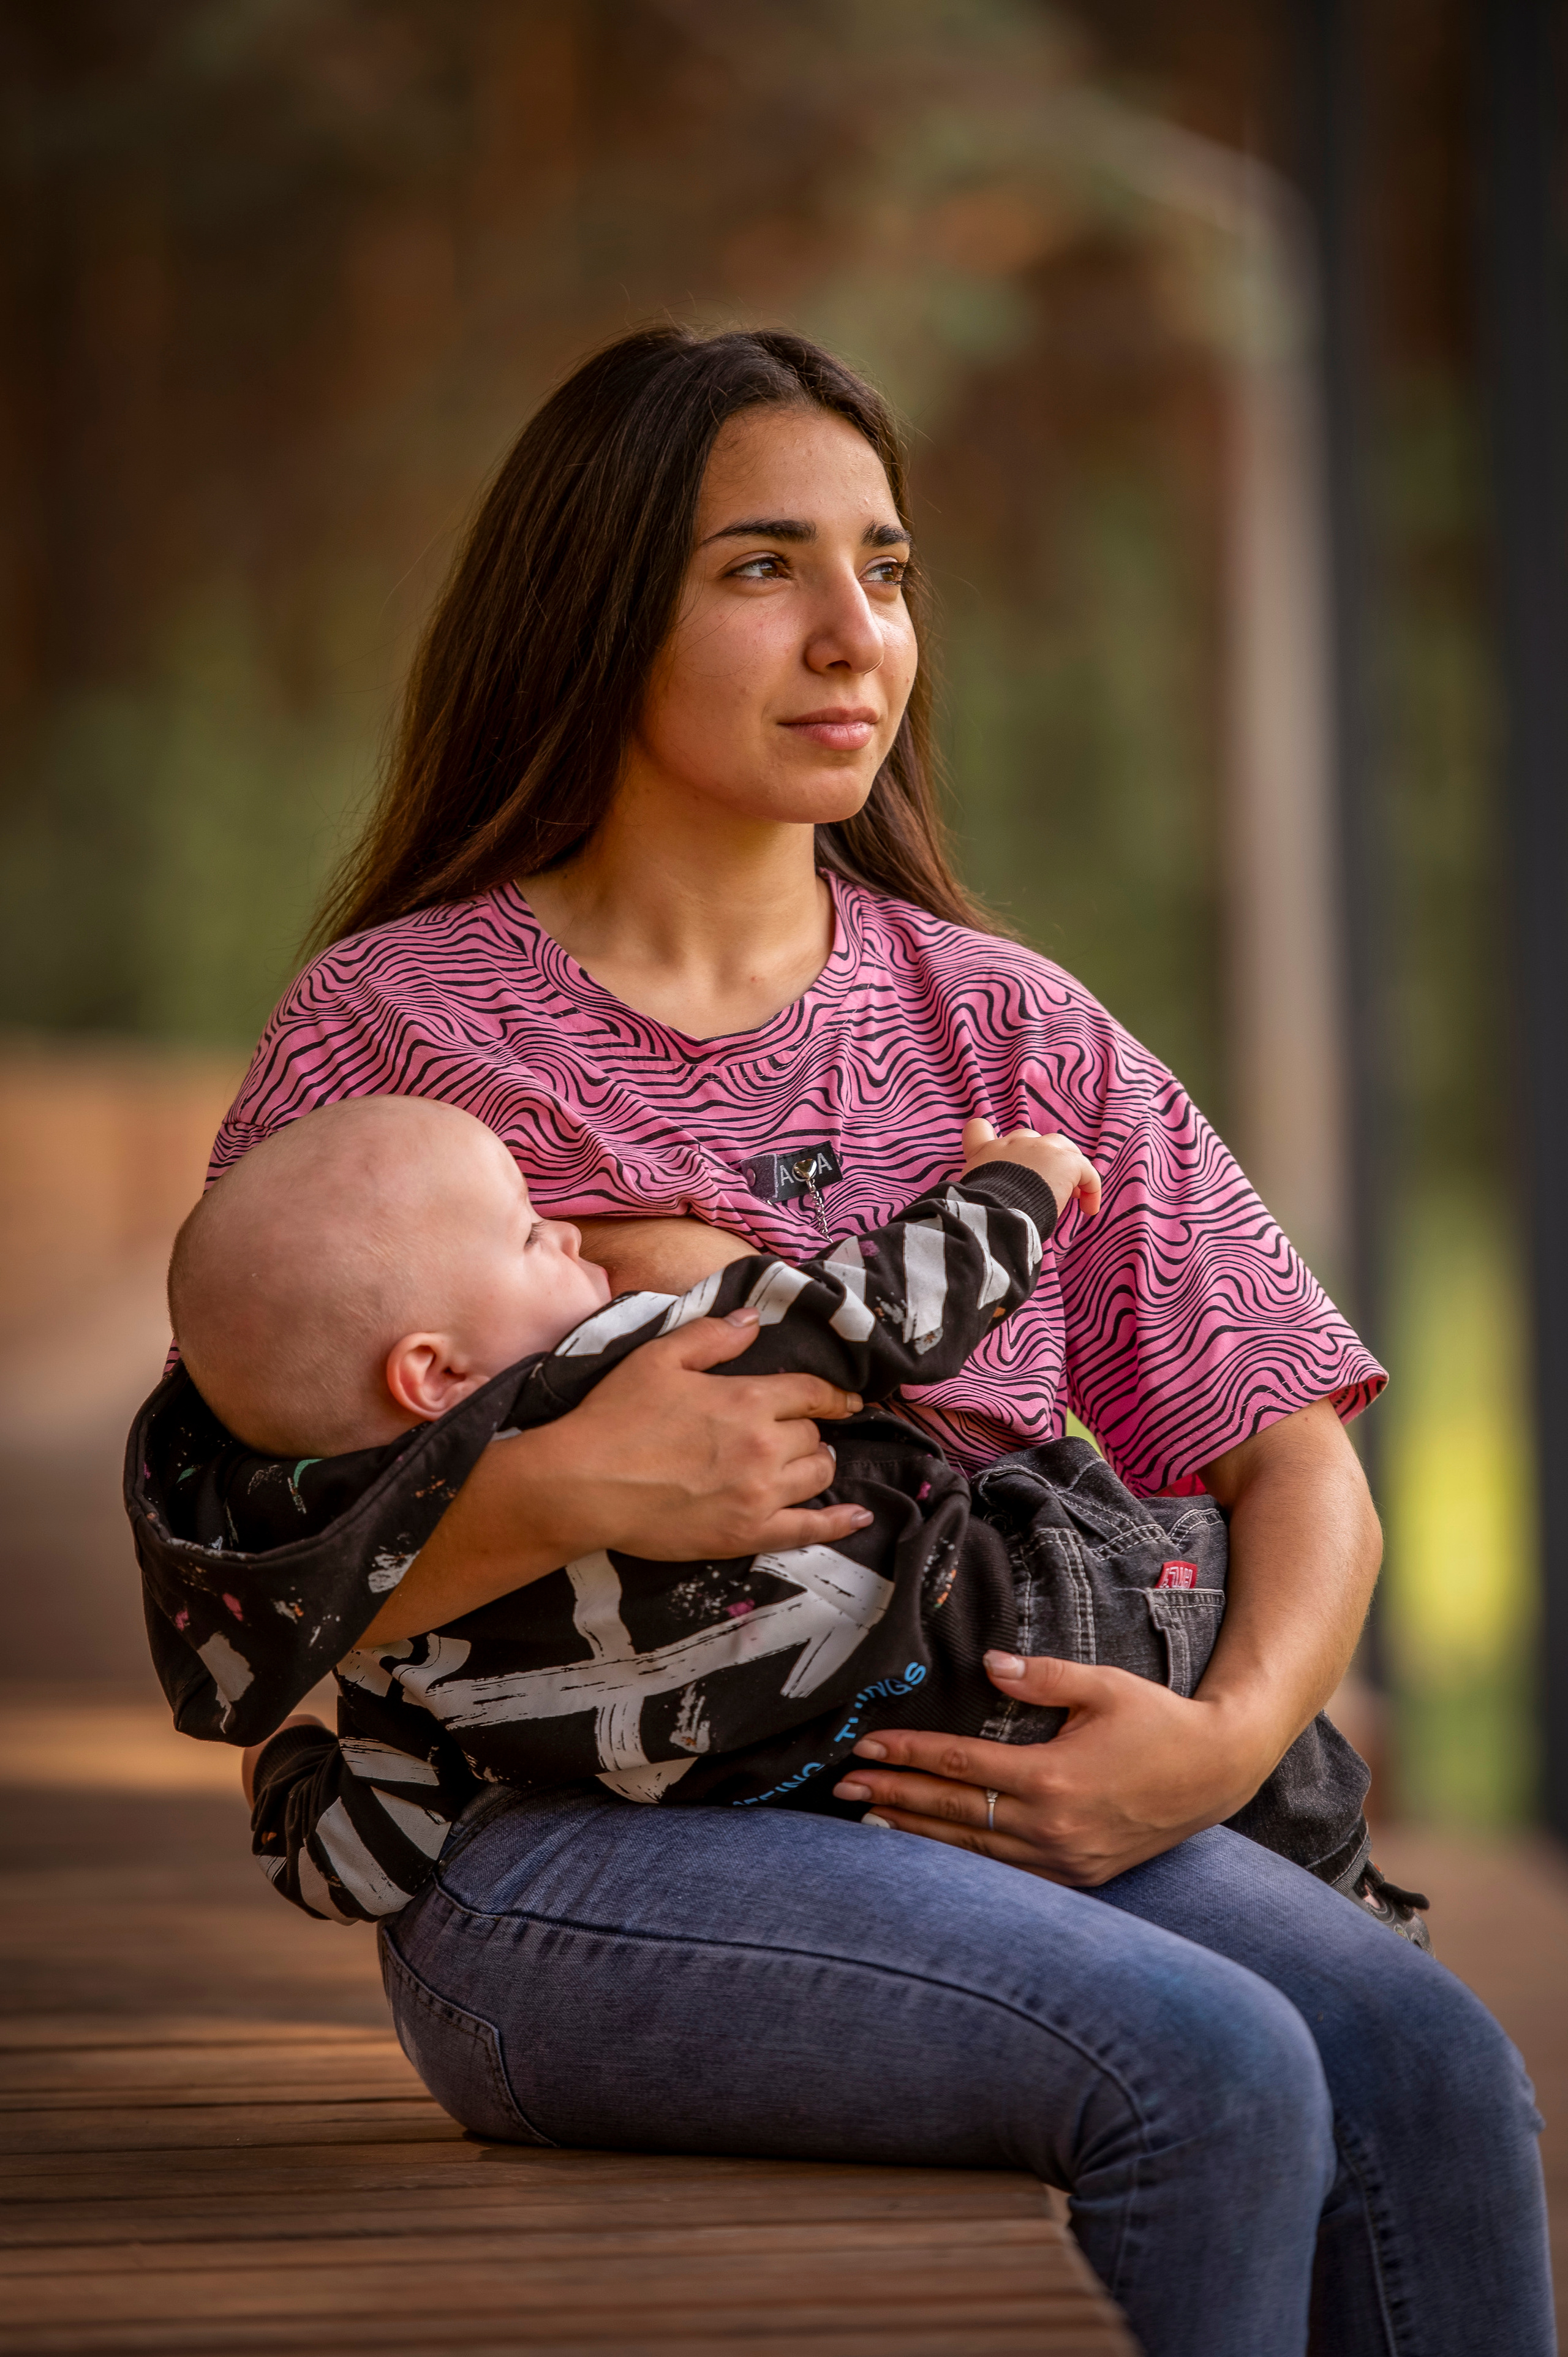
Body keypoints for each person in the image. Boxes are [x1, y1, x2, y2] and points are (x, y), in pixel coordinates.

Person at [126, 325, 1553, 2357]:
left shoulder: (1015, 1030)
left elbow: (1294, 1444)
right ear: (603, 609)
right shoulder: (394, 1035)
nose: (850, 632)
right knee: (1212, 2068)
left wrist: (1219, 1743)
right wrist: (559, 1485)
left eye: (884, 569)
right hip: (565, 1863)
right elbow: (251, 1597)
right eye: (762, 567)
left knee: (1424, 2054)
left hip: (982, 1791)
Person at [143, 1090, 1379, 1928]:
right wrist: (1017, 1184)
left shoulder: (405, 1672)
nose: (573, 1234)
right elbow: (879, 1313)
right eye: (529, 1235)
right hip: (1060, 1614)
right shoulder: (629, 1363)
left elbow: (353, 1863)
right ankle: (1355, 1903)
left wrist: (286, 1770)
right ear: (437, 1374)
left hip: (888, 1786)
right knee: (1298, 1801)